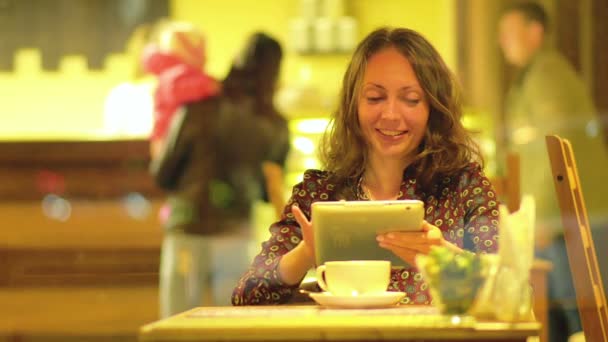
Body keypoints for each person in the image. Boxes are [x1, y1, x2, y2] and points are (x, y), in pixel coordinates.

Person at [232, 27, 500, 306]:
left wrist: (442, 256)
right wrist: (307, 252)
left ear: (433, 107)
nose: (391, 115)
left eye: (410, 99)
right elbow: (246, 296)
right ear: (353, 105)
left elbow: (514, 293)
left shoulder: (464, 187)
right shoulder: (321, 193)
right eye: (375, 98)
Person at [149, 31, 290, 318]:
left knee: (178, 326)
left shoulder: (199, 106)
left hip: (188, 228)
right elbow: (267, 192)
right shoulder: (275, 123)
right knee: (232, 325)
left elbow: (163, 174)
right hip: (236, 234)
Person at [498, 2, 608, 341]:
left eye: (509, 32)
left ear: (535, 32)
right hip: (561, 217)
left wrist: (544, 217)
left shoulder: (547, 74)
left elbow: (554, 147)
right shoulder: (536, 74)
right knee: (565, 312)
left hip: (568, 218)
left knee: (579, 314)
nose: (502, 41)